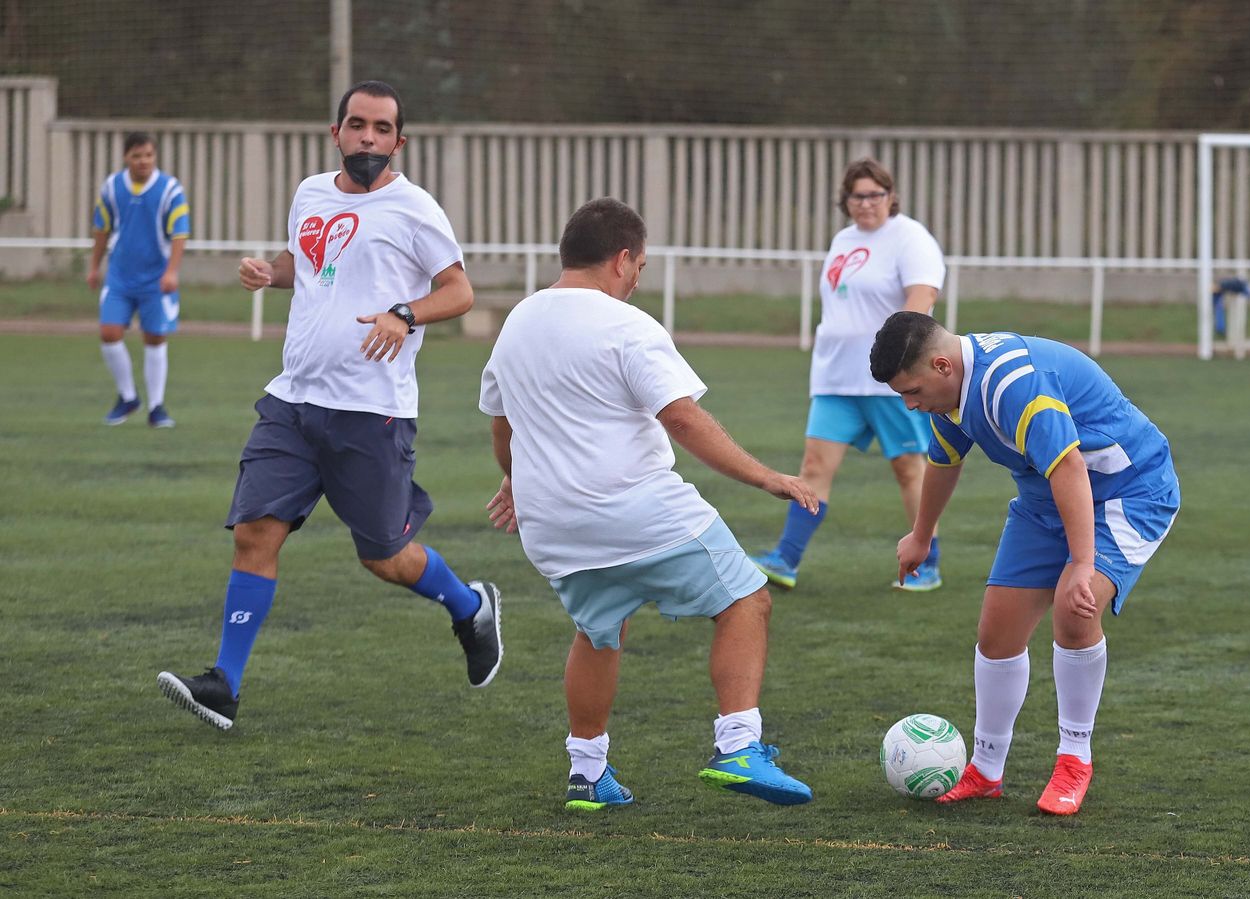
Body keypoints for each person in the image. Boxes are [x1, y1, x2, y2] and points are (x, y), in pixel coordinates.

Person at [157, 81, 502, 730]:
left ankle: (469, 605)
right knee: (257, 530)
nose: (367, 138)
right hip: (293, 400)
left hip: (372, 412)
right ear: (336, 132)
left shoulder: (414, 208)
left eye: (381, 128)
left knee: (385, 558)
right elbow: (310, 262)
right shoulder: (310, 192)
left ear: (399, 141)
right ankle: (224, 683)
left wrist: (406, 313)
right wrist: (273, 272)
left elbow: (459, 292)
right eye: (356, 125)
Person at [480, 198, 818, 812]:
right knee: (746, 599)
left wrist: (515, 481)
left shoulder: (518, 323)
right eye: (639, 266)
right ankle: (738, 746)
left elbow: (503, 427)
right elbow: (683, 419)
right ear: (622, 258)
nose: (638, 279)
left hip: (552, 525)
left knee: (598, 629)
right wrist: (767, 477)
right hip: (634, 510)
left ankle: (587, 773)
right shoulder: (626, 324)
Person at [870, 311, 1180, 817]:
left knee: (1074, 610)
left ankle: (1074, 759)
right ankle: (986, 770)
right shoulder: (949, 393)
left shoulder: (1012, 383)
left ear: (943, 365)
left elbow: (1070, 466)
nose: (909, 403)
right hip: (1046, 500)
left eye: (911, 390)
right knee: (997, 631)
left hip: (1130, 491)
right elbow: (945, 461)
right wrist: (921, 536)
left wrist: (1082, 563)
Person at [748, 158, 948, 592]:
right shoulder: (843, 240)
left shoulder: (910, 238)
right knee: (814, 466)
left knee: (909, 470)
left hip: (887, 380)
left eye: (875, 194)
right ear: (846, 200)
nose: (866, 203)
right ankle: (786, 559)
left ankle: (926, 564)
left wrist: (899, 357)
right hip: (835, 377)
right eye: (857, 195)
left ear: (890, 196)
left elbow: (922, 298)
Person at [88, 132, 190, 428]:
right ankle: (128, 397)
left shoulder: (170, 190)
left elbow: (180, 233)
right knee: (109, 333)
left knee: (155, 338)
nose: (143, 161)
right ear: (125, 158)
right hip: (119, 276)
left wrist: (172, 271)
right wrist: (94, 266)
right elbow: (101, 228)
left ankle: (156, 407)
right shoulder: (111, 187)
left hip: (156, 280)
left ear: (154, 156)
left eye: (148, 155)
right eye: (137, 155)